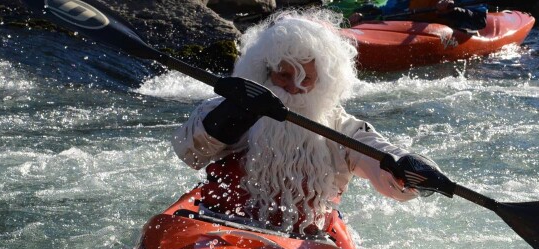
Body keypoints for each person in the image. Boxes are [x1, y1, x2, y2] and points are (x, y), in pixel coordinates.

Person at [173, 9, 454, 235]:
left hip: (302, 240)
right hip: (218, 223)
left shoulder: (338, 126)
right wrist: (234, 115)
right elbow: (188, 151)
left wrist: (404, 164)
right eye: (284, 76)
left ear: (323, 80)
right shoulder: (231, 108)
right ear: (265, 71)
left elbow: (374, 152)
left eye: (305, 79)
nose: (295, 88)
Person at [349, 0, 487, 32]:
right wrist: (365, 15)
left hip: (451, 31)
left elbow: (479, 21)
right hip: (413, 30)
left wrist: (453, 10)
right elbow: (389, 12)